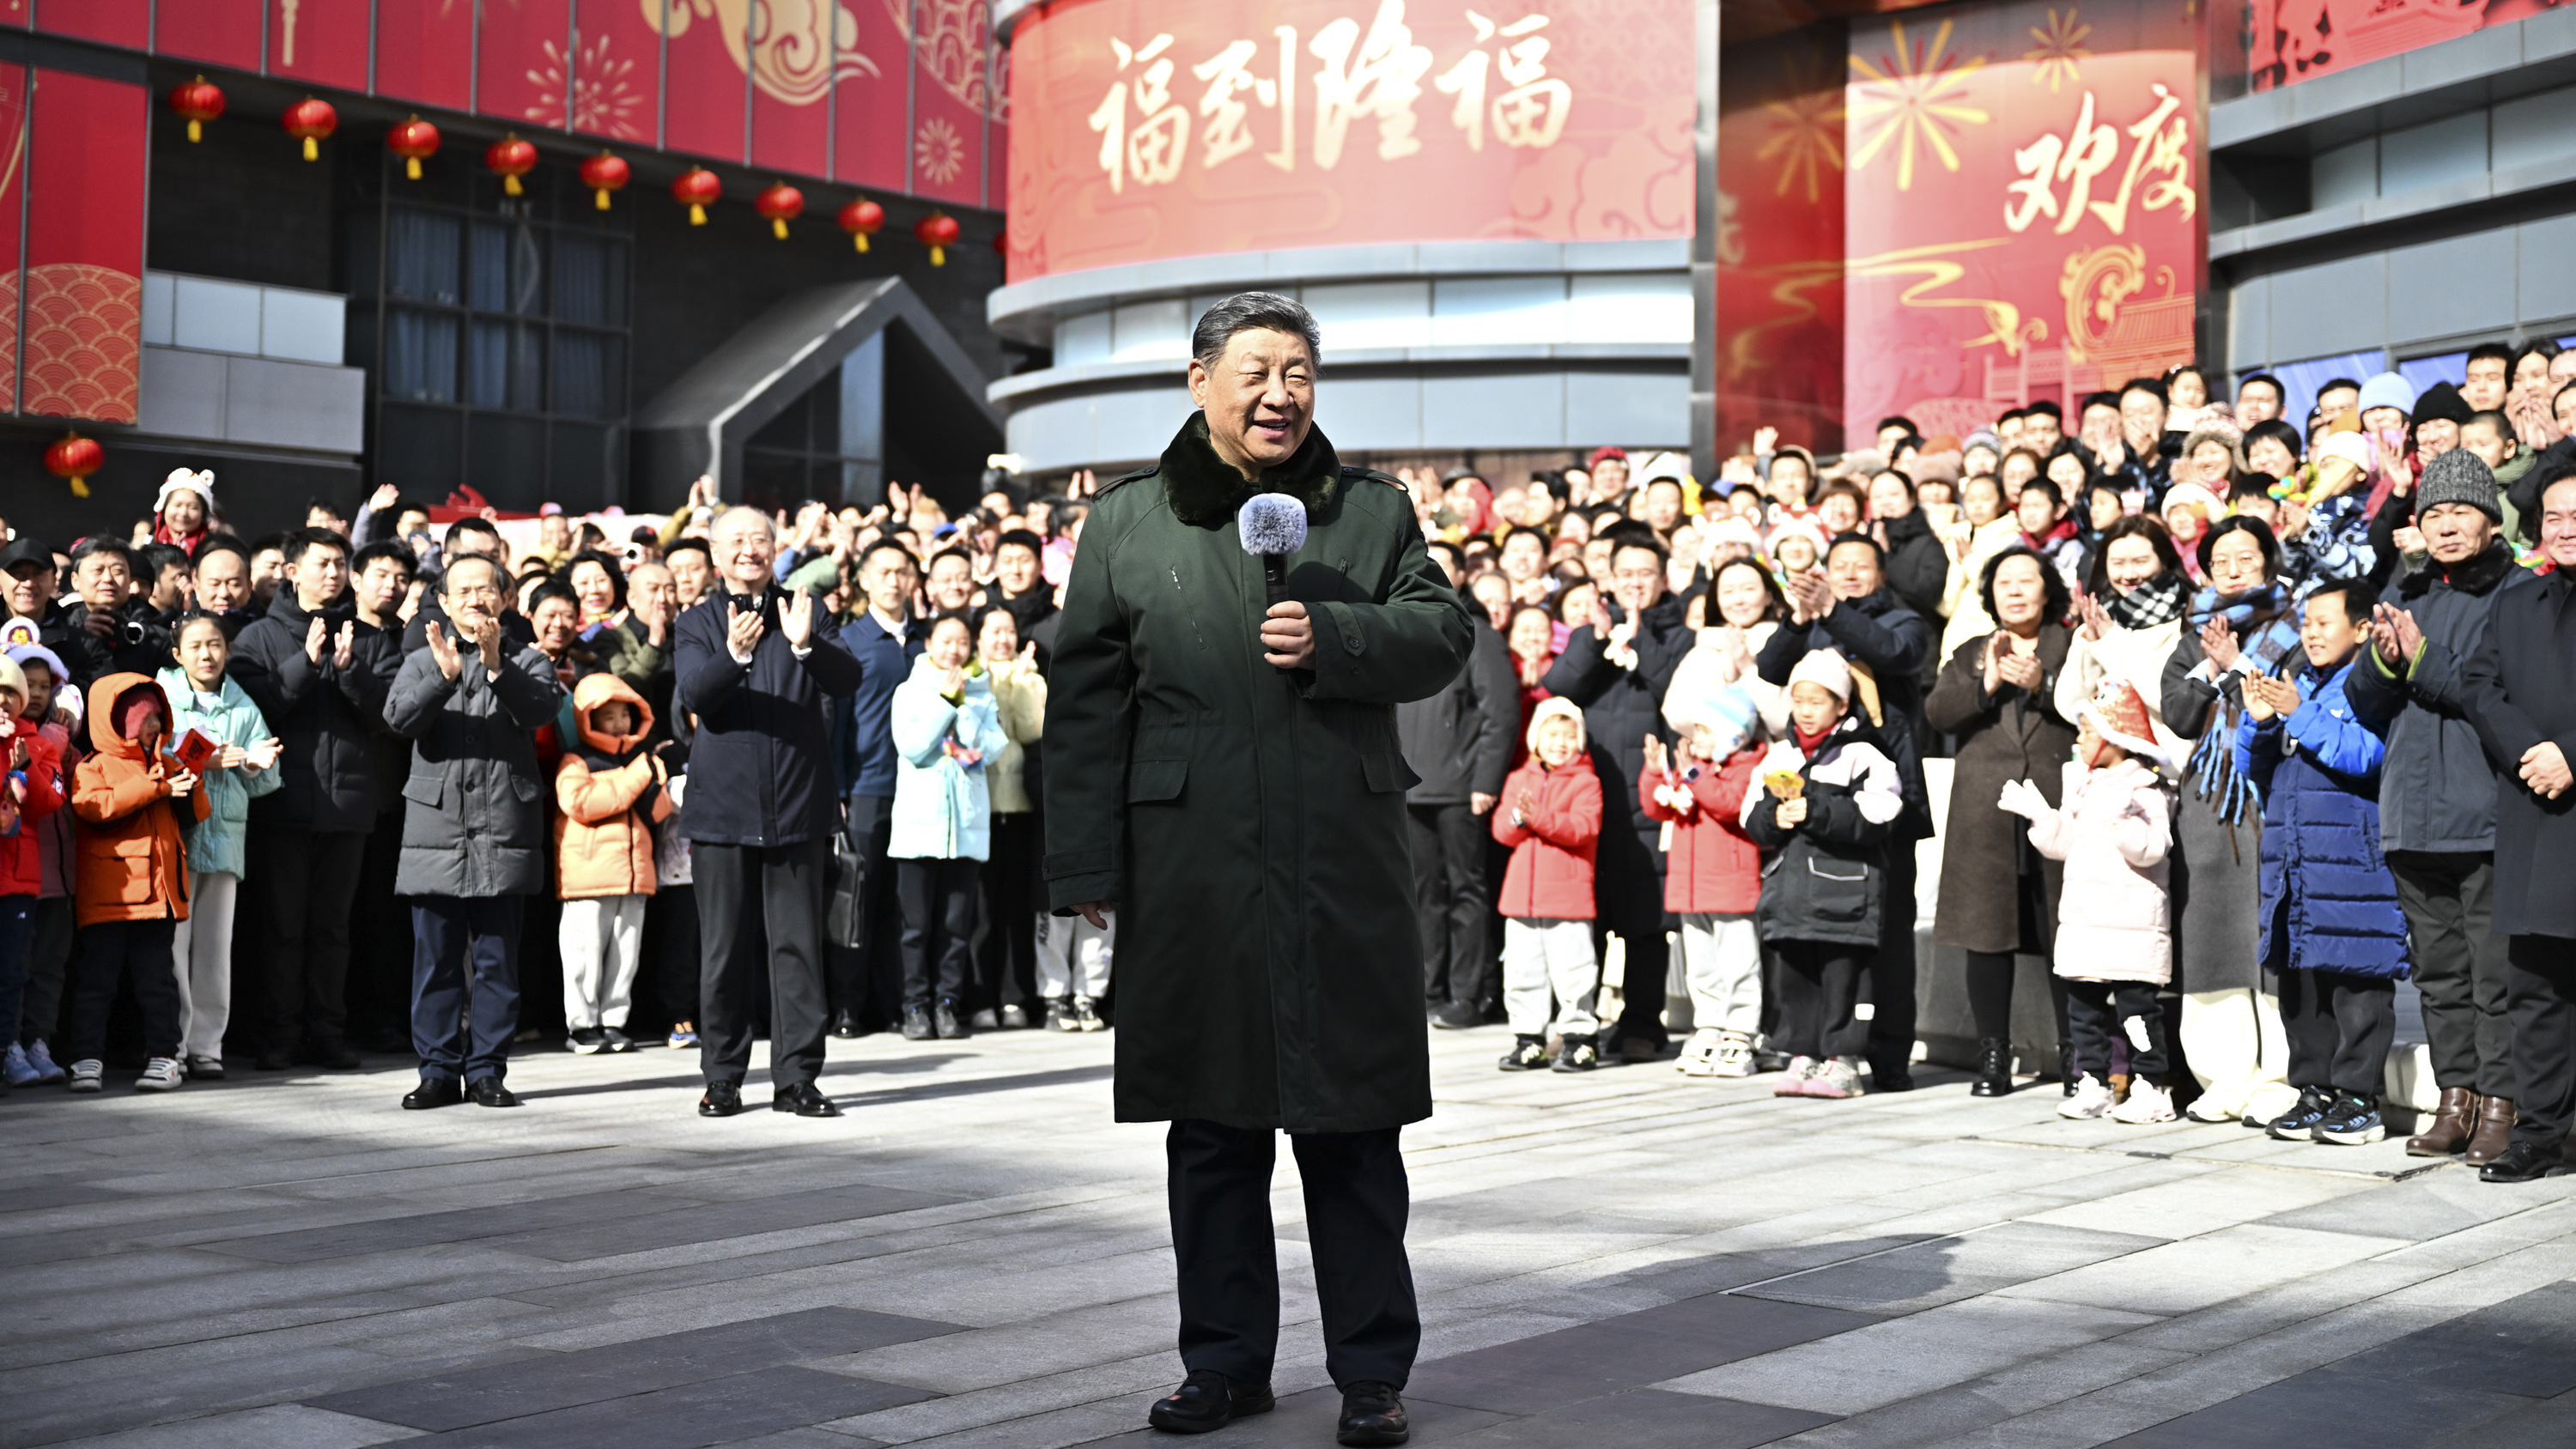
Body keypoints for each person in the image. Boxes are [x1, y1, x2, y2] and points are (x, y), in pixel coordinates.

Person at [1044, 294, 1471, 1443]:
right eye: (1256, 372)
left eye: (1299, 372)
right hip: (1194, 864)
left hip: (1341, 856)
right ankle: (1225, 1363)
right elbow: (1087, 702)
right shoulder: (1130, 523)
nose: (1280, 393)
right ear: (1199, 383)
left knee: (1353, 1127)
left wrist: (1340, 638)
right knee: (1211, 1124)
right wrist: (1085, 858)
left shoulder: (1372, 513)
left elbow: (1444, 632)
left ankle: (1372, 1374)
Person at [2348, 450, 2531, 1162]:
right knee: (2440, 974)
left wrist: (2422, 660)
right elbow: (2364, 703)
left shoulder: (2521, 595)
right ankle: (2454, 1098)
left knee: (2496, 976)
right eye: (2434, 514)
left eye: (2461, 512)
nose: (2446, 526)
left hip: (2484, 814)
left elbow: (2501, 699)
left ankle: (2501, 1105)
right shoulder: (2407, 591)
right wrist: (2386, 660)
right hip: (2410, 818)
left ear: (2491, 520)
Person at [679, 506, 865, 1119]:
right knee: (724, 950)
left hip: (796, 803)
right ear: (715, 550)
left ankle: (797, 1080)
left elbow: (847, 679)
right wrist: (731, 656)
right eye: (736, 540)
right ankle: (723, 1077)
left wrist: (807, 643)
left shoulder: (804, 608)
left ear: (775, 546)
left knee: (797, 949)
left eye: (759, 539)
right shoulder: (698, 621)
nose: (749, 550)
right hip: (723, 808)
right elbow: (696, 696)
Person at [384, 555, 567, 1110]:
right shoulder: (421, 659)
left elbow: (541, 711)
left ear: (505, 599)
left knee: (495, 961)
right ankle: (437, 1069)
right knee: (435, 960)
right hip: (435, 834)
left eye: (484, 589)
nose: (474, 599)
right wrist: (443, 678)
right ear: (443, 601)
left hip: (503, 830)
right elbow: (398, 721)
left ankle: (487, 1068)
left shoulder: (529, 660)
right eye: (461, 590)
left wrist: (495, 666)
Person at [1756, 534, 1933, 1090]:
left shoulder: (1903, 620)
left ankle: (1889, 1057)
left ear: (1880, 574)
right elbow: (1769, 667)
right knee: (1820, 933)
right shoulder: (1811, 625)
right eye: (1839, 566)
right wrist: (1797, 617)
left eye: (1861, 566)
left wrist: (1831, 612)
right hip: (1814, 799)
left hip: (1884, 801)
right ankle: (1818, 1047)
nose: (1850, 573)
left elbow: (1896, 654)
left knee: (1889, 935)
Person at [2239, 578, 2409, 1147]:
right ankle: (2313, 1090)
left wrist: (2298, 712)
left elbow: (2365, 755)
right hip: (2294, 860)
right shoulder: (2300, 684)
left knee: (2357, 978)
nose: (2310, 633)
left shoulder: (2368, 686)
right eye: (2306, 623)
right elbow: (2256, 770)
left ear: (2362, 629)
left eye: (2324, 622)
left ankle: (2359, 1099)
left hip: (2350, 864)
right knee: (2300, 983)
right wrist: (2259, 721)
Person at [227, 526, 397, 1072]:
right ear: (291, 571)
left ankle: (327, 1033)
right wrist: (305, 662)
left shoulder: (368, 638)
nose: (334, 573)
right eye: (322, 563)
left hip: (347, 809)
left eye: (340, 563)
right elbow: (256, 710)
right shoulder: (258, 637)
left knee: (332, 931)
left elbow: (391, 716)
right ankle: (278, 1035)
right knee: (281, 929)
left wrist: (349, 671)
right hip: (280, 807)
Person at [2160, 517, 2304, 1127]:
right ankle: (2222, 1076)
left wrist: (2237, 664)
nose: (2236, 568)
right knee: (2212, 937)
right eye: (2222, 560)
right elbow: (2178, 711)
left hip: (2268, 791)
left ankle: (2278, 1078)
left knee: (2269, 936)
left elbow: (2281, 700)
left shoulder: (2296, 629)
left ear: (2270, 563)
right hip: (2209, 799)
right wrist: (2216, 666)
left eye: (2248, 556)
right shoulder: (2195, 632)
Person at [2460, 470, 2576, 1181]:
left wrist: (2574, 756)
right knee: (2535, 988)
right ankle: (2538, 1133)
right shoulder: (2518, 600)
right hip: (2536, 813)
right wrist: (2531, 750)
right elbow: (2480, 684)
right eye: (2555, 515)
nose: (2566, 526)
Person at [1928, 548, 2078, 1096]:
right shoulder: (1971, 650)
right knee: (1984, 934)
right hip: (1984, 811)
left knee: (2066, 931)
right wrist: (1985, 683)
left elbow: (2100, 709)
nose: (2014, 590)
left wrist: (2043, 683)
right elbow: (1938, 715)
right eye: (2002, 581)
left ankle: (2076, 1054)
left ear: (2048, 590)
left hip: (2056, 802)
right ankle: (1993, 1054)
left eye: (2026, 580)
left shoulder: (2072, 644)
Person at [1542, 530, 1693, 1059]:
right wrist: (1595, 638)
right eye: (1625, 573)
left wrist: (1640, 637)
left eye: (1645, 574)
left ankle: (1642, 1024)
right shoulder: (1591, 632)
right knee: (1585, 917)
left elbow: (1676, 692)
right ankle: (1577, 1021)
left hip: (1650, 800)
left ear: (1662, 579)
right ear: (1609, 578)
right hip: (1590, 798)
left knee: (1646, 925)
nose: (1634, 583)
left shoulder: (1679, 635)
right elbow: (1559, 686)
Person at [2002, 680, 2178, 1123]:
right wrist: (2043, 818)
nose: (2077, 740)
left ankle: (2151, 1086)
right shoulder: (2083, 784)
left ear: (2115, 738)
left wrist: (2123, 820)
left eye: (2086, 731)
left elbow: (2154, 848)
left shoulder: (2146, 790)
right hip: (2084, 923)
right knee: (2084, 1013)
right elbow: (2069, 845)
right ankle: (2093, 1082)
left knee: (2137, 1015)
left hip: (2131, 926)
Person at [1745, 650, 1904, 1100]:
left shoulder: (1863, 754)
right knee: (1793, 976)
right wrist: (1776, 817)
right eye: (1800, 700)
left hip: (1844, 897)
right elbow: (1750, 818)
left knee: (1844, 977)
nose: (1807, 710)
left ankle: (1843, 1059)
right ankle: (1802, 1053)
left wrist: (1815, 809)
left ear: (1840, 705)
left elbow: (1880, 814)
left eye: (1819, 700)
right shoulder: (1779, 755)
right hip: (1789, 895)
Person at [62, 673, 210, 1094]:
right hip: (112, 896)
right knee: (96, 981)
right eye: (145, 717)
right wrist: (155, 786)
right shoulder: (93, 765)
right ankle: (86, 1058)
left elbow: (198, 814)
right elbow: (93, 807)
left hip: (160, 896)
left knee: (157, 982)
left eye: (157, 717)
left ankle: (165, 1056)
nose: (154, 724)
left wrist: (189, 784)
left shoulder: (167, 761)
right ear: (121, 721)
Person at [1398, 547, 1518, 1030]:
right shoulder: (1404, 627)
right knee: (1424, 894)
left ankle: (1470, 995)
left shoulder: (1478, 633)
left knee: (1467, 890)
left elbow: (1501, 716)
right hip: (1411, 785)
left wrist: (1486, 781)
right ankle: (1431, 989)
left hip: (1462, 787)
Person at [158, 615, 282, 1081]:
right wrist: (205, 757)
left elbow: (263, 779)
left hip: (226, 837)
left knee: (215, 948)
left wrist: (256, 765)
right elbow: (154, 756)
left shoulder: (243, 704)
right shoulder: (163, 696)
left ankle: (207, 1046)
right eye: (195, 646)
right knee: (173, 947)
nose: (206, 654)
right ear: (177, 654)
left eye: (215, 645)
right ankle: (171, 1043)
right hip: (178, 836)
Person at [889, 615, 1010, 1040]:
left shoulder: (982, 692)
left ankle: (947, 1005)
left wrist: (968, 711)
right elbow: (912, 746)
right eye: (946, 640)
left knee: (956, 929)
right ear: (929, 643)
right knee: (916, 928)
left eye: (962, 641)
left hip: (967, 829)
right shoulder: (909, 690)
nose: (955, 649)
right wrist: (945, 700)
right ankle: (915, 1007)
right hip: (918, 830)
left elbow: (995, 747)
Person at [1641, 682, 1764, 1078]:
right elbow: (1658, 807)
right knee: (1702, 965)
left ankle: (1741, 1031)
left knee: (1739, 962)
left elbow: (1729, 804)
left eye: (1705, 732)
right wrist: (1654, 772)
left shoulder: (1746, 767)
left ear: (1732, 734)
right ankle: (1709, 1024)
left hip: (1730, 887)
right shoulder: (1696, 771)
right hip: (1691, 888)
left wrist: (1692, 775)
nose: (1695, 741)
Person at [832, 537, 927, 1037]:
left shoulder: (928, 643)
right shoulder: (848, 642)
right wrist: (840, 790)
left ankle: (895, 1003)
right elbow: (837, 725)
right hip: (867, 788)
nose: (894, 580)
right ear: (864, 580)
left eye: (902, 572)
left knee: (902, 905)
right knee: (858, 900)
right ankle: (849, 1006)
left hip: (922, 792)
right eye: (883, 572)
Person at [554, 674, 673, 1055]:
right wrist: (639, 774)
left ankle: (613, 1021)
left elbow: (658, 812)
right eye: (609, 716)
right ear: (587, 719)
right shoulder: (576, 761)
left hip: (635, 874)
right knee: (584, 954)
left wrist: (654, 777)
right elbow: (583, 805)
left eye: (626, 714)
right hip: (589, 877)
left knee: (625, 954)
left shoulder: (640, 761)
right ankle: (582, 1025)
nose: (620, 723)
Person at [1490, 697, 1604, 1072]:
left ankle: (1580, 1039)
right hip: (1522, 898)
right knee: (1522, 972)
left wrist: (1538, 816)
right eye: (1552, 734)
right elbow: (1501, 831)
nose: (1560, 742)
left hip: (1568, 897)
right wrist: (1520, 819)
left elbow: (1582, 829)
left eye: (1569, 736)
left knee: (1574, 972)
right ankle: (1528, 1039)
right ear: (1536, 738)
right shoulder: (1518, 779)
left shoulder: (1587, 782)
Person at [4, 646, 75, 1087]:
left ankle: (36, 1041)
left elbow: (50, 801)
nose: (32, 693)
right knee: (13, 965)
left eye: (43, 686)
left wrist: (28, 764)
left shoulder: (44, 743)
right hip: (13, 873)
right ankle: (8, 1044)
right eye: (22, 685)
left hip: (41, 874)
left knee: (44, 964)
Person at [974, 608, 1047, 1028]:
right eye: (993, 630)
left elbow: (1032, 731)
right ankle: (981, 996)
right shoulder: (967, 676)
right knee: (982, 912)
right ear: (979, 636)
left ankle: (1015, 996)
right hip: (981, 809)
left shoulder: (1032, 678)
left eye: (1009, 631)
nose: (1003, 637)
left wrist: (1020, 682)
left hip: (1019, 807)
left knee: (1017, 908)